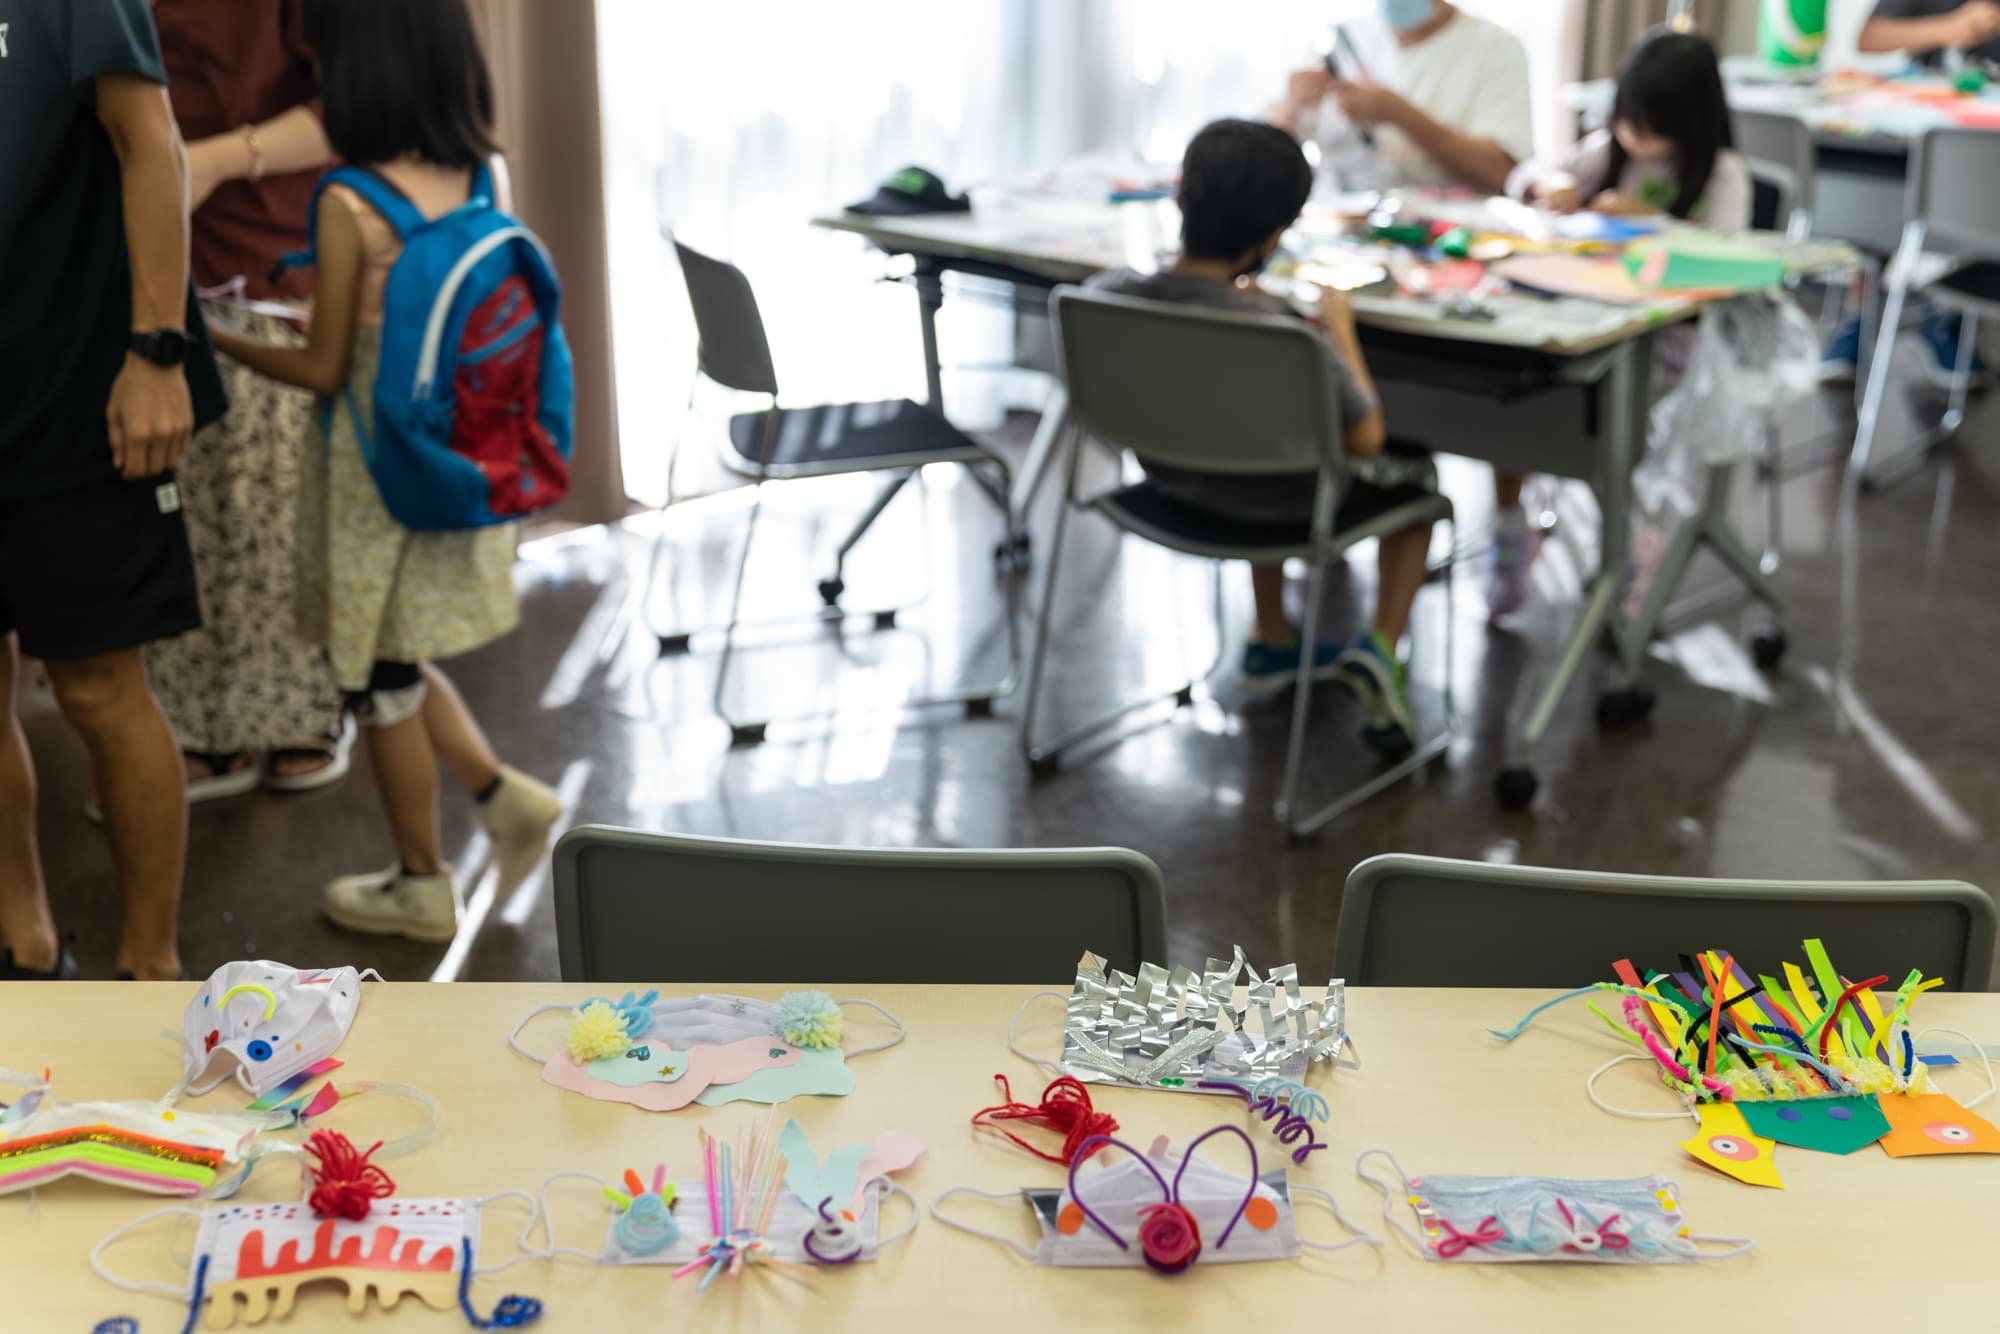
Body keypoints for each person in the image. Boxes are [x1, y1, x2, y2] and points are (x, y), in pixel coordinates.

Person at [209, 0, 563, 943]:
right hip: (452, 455)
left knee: (377, 680)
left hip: (369, 475)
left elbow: (325, 369)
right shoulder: (484, 172)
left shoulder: (349, 200)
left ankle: (421, 883)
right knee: (394, 652)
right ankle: (505, 798)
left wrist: (217, 337)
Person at [0, 0, 230, 979]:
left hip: (73, 390)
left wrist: (156, 353)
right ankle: (25, 946)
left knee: (98, 689)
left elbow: (151, 142)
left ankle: (149, 969)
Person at [1087, 120, 1439, 757]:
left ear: (1180, 198)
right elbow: (1366, 438)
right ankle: (1382, 648)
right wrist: (1341, 331)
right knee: (1416, 478)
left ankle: (1273, 635)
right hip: (1289, 509)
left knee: (1244, 435)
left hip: (1167, 485)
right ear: (1276, 235)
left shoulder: (1105, 295)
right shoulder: (1283, 333)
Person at [1271, 0, 1543, 618]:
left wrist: (1401, 115)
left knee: (1503, 396)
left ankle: (1507, 524)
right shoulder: (1341, 40)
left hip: (1455, 265)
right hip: (1343, 267)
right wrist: (1287, 109)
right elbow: (1262, 155)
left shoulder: (1493, 50)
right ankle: (1337, 514)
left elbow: (1504, 171)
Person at [145, 2, 350, 806]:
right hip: (154, 260)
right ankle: (199, 728)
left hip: (269, 259)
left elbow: (352, 105)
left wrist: (219, 161)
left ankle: (301, 715)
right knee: (180, 509)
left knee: (273, 506)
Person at [1822, 0, 1999, 383]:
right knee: (1872, 188)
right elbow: (1869, 38)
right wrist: (1950, 28)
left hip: (1987, 160)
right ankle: (1861, 317)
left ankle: (1949, 319)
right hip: (1916, 141)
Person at [1507, 31, 1752, 233]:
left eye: (1647, 132)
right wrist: (1549, 183)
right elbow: (1520, 175)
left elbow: (1725, 246)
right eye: (1623, 120)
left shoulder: (1723, 171)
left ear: (1689, 125)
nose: (1630, 138)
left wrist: (1648, 218)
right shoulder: (1606, 149)